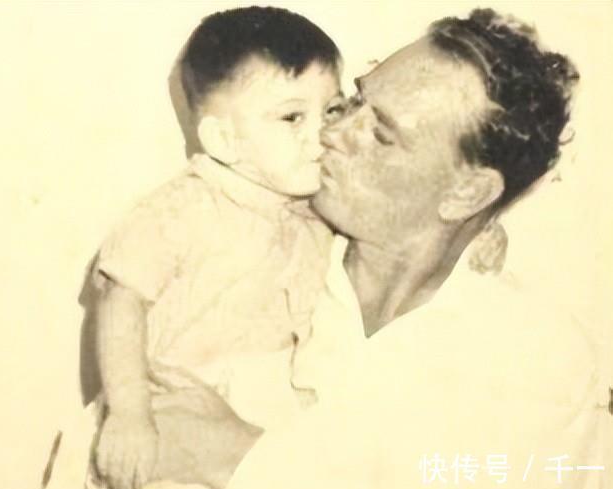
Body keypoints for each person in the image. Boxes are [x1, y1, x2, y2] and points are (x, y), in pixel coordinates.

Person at [146, 9, 611, 489]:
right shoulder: (253, 254)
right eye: (353, 102)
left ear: (466, 193)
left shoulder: (537, 360)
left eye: (381, 134)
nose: (330, 132)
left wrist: (244, 460)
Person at [84, 7, 345, 489]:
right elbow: (121, 301)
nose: (321, 136)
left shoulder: (318, 213)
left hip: (263, 422)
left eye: (331, 111)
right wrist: (130, 413)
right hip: (169, 417)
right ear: (224, 140)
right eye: (292, 117)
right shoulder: (180, 210)